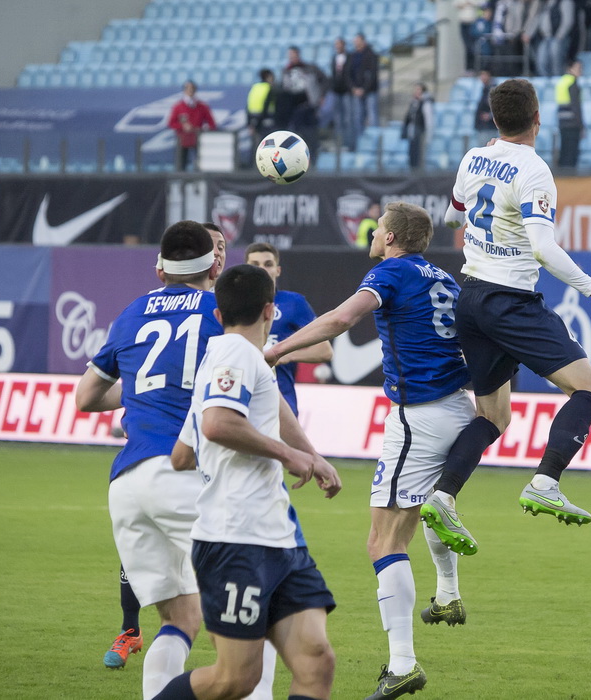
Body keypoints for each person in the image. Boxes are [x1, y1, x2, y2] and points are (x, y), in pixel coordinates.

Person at [265, 202, 475, 700]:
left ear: (393, 237)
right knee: (427, 509)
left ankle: (402, 663)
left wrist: (276, 350)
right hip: (459, 409)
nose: (373, 234)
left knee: (383, 542)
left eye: (378, 229)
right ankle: (447, 594)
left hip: (418, 415)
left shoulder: (391, 271)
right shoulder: (444, 279)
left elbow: (341, 319)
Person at [421, 78, 591, 555]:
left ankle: (443, 495)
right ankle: (546, 481)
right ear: (537, 118)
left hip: (470, 296)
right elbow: (541, 247)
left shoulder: (473, 158)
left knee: (493, 414)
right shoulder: (534, 171)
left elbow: (452, 218)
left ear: (494, 119)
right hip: (510, 299)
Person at [154, 264, 342, 700]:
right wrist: (290, 455)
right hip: (235, 539)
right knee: (235, 679)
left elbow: (183, 455)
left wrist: (312, 455)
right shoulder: (235, 355)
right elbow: (218, 426)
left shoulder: (235, 364)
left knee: (316, 661)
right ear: (270, 312)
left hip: (278, 540)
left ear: (218, 315)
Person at [76, 221, 222, 698]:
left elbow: (86, 396)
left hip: (127, 483)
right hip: (182, 474)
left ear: (159, 270)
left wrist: (139, 391)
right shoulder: (220, 310)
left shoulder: (133, 312)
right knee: (251, 608)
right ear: (214, 266)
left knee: (179, 619)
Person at [244, 242, 333, 416]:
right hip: (241, 400)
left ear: (278, 270)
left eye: (268, 264)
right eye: (255, 265)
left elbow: (324, 351)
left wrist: (284, 355)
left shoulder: (294, 303)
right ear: (245, 269)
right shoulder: (232, 302)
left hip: (282, 403)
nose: (262, 269)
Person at [276, 46, 328, 164]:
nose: (292, 58)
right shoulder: (286, 70)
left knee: (310, 131)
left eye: (294, 55)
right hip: (294, 107)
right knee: (296, 132)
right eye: (290, 55)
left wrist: (321, 95)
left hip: (308, 105)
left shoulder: (309, 68)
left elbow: (324, 80)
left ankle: (313, 158)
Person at [168, 81, 217, 171]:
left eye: (192, 89)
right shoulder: (178, 107)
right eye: (188, 89)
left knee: (201, 163)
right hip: (183, 140)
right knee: (181, 164)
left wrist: (202, 129)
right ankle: (181, 181)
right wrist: (182, 126)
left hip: (198, 139)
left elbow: (212, 123)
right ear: (184, 91)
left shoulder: (202, 107)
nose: (190, 91)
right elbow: (171, 123)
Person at [523, 0, 575, 78]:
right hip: (546, 37)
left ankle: (557, 79)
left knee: (556, 60)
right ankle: (545, 81)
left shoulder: (565, 2)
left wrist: (559, 36)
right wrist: (528, 34)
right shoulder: (545, 4)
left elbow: (568, 21)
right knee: (541, 60)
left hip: (558, 38)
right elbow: (537, 19)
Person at [349, 33, 379, 146]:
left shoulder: (371, 55)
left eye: (358, 40)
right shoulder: (352, 56)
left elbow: (372, 75)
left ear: (363, 41)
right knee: (357, 117)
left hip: (369, 91)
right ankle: (360, 143)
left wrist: (364, 89)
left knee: (372, 117)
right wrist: (353, 88)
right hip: (356, 91)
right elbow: (348, 73)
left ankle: (374, 143)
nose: (356, 43)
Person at [555, 59, 584, 168]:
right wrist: (581, 125)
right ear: (570, 69)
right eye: (578, 68)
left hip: (562, 121)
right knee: (571, 154)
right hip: (573, 123)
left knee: (564, 150)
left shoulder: (562, 81)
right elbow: (576, 107)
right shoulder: (573, 83)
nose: (580, 71)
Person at [246, 69, 277, 165]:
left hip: (253, 119)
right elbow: (266, 105)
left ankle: (253, 165)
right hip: (265, 119)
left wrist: (250, 123)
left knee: (256, 145)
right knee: (268, 145)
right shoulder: (269, 88)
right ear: (268, 77)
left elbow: (248, 105)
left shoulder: (255, 87)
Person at [401, 82, 434, 171]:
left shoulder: (425, 103)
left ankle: (418, 169)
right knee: (412, 152)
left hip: (420, 131)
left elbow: (428, 120)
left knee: (419, 153)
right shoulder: (414, 103)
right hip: (412, 131)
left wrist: (428, 135)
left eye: (418, 89)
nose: (416, 92)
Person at [329, 37, 354, 150]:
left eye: (339, 44)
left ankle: (348, 143)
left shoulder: (349, 57)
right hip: (337, 91)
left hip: (346, 91)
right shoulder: (334, 58)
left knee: (347, 118)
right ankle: (339, 142)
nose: (337, 46)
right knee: (338, 119)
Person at [474, 69, 497, 142]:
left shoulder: (493, 89)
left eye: (484, 75)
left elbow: (498, 107)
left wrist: (490, 116)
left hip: (489, 127)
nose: (482, 77)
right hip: (482, 126)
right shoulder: (484, 89)